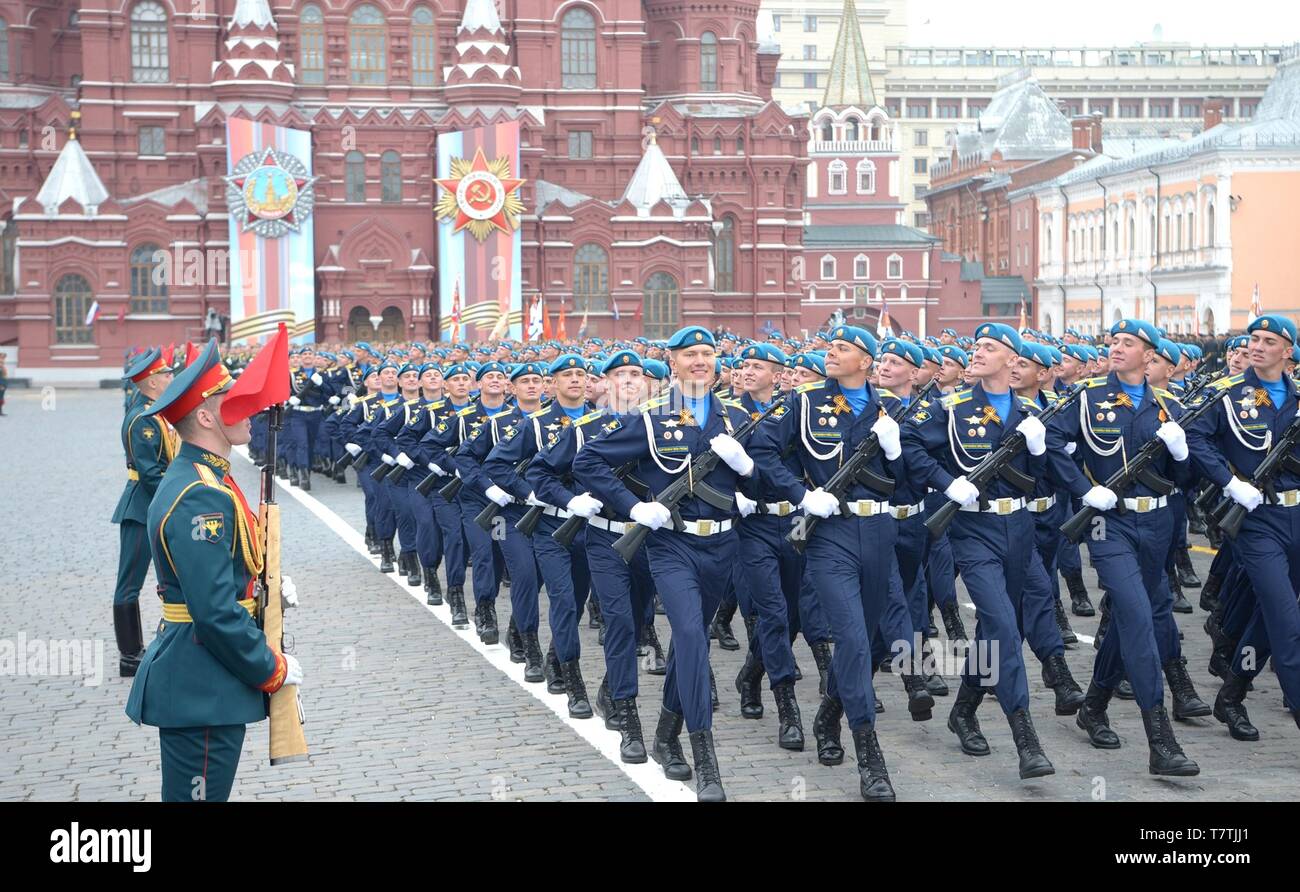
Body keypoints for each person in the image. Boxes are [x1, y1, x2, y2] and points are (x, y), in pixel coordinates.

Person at [573, 325, 754, 801]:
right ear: (671, 363)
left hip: (723, 546)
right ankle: (706, 759)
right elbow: (587, 462)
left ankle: (666, 732)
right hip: (672, 546)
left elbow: (767, 477)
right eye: (690, 354)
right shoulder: (651, 418)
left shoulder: (736, 415)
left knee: (687, 647)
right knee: (691, 636)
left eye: (708, 353)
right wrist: (633, 508)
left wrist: (749, 472)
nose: (700, 360)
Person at [124, 339, 304, 801]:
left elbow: (221, 573)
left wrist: (263, 588)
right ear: (205, 417)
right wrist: (272, 668)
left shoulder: (207, 477)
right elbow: (213, 611)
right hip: (200, 681)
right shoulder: (201, 495)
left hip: (201, 677)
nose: (249, 410)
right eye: (233, 401)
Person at [747, 324, 903, 801]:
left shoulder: (892, 409)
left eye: (842, 348)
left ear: (866, 361)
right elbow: (764, 450)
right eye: (829, 346)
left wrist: (896, 451)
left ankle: (828, 714)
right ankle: (870, 756)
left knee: (875, 641)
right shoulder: (805, 402)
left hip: (879, 534)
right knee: (851, 639)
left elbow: (913, 479)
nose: (831, 353)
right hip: (828, 535)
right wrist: (801, 494)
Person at [1045, 318, 1203, 776]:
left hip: (1157, 522)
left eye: (1127, 343)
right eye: (1113, 341)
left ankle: (1093, 706)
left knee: (1136, 615)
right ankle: (1161, 741)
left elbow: (1188, 480)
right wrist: (1081, 486)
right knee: (1137, 616)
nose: (1115, 347)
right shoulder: (1089, 397)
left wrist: (1180, 454)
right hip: (1108, 524)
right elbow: (1053, 440)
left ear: (1149, 356)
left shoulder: (1169, 406)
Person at [901, 322, 1057, 780]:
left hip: (1021, 528)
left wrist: (1041, 447)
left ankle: (964, 710)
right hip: (974, 530)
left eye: (989, 347)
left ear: (1013, 360)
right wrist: (949, 482)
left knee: (1002, 626)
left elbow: (1051, 477)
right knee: (1004, 626)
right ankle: (1025, 737)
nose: (977, 352)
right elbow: (910, 444)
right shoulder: (951, 406)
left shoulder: (1032, 411)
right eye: (976, 346)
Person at [1187, 314, 1300, 742]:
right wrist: (1231, 482)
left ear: (1287, 352)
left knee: (1267, 619)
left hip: (1298, 515)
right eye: (1253, 338)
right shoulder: (1226, 394)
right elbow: (1194, 437)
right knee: (1287, 622)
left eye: (1268, 340)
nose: (1256, 346)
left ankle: (1232, 693)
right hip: (1257, 521)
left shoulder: (1297, 397)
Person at [111, 347, 177, 676]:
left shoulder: (153, 411)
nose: (170, 377)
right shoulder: (143, 420)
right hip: (140, 507)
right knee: (129, 583)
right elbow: (150, 474)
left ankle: (143, 647)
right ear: (151, 382)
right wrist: (179, 493)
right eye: (166, 374)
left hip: (151, 505)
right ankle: (129, 655)